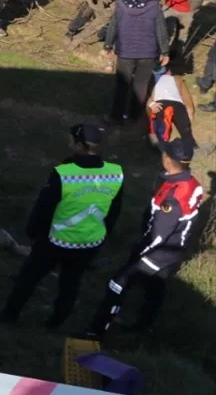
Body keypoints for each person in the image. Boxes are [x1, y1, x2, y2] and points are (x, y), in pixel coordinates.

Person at [0, 123, 123, 329]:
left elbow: (44, 207)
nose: (68, 142)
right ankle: (56, 323)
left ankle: (9, 315)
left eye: (71, 140)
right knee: (70, 284)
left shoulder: (64, 173)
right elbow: (114, 212)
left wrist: (33, 233)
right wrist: (102, 235)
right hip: (90, 242)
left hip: (56, 241)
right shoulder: (115, 173)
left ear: (79, 144)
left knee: (29, 277)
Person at [83, 139, 204, 339]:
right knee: (155, 286)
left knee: (118, 283)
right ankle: (144, 326)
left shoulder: (172, 198)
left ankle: (95, 331)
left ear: (168, 159)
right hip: (175, 249)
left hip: (159, 251)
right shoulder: (191, 183)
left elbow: (158, 235)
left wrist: (140, 252)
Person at [104, 0, 169, 123]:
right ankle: (133, 116)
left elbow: (113, 26)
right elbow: (161, 31)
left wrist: (108, 44)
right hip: (148, 53)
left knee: (122, 85)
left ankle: (116, 116)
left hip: (125, 52)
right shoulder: (154, 6)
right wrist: (164, 51)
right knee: (141, 84)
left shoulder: (120, 4)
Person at [147, 61, 196, 148]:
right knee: (184, 127)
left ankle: (159, 143)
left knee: (161, 123)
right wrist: (189, 109)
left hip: (164, 102)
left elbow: (150, 97)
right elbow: (186, 95)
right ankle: (190, 144)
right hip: (173, 102)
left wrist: (151, 104)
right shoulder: (175, 79)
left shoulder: (175, 79)